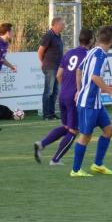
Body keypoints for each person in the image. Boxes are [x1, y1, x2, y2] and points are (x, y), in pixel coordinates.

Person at [34, 29, 94, 165]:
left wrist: (66, 88)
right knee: (73, 130)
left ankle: (42, 144)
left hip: (63, 95)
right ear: (91, 41)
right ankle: (55, 159)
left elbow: (58, 75)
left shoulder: (69, 53)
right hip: (74, 97)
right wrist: (77, 91)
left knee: (67, 127)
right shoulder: (88, 55)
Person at [70, 26, 112, 177]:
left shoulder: (93, 51)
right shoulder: (100, 55)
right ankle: (76, 170)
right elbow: (95, 77)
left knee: (109, 130)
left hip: (96, 103)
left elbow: (79, 70)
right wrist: (111, 92)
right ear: (111, 39)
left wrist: (78, 90)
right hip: (88, 104)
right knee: (85, 136)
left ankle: (97, 164)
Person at [38, 17, 65, 120]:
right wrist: (43, 62)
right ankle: (46, 115)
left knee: (54, 91)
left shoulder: (58, 35)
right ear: (56, 24)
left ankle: (51, 113)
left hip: (57, 67)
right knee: (48, 91)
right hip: (50, 67)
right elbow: (40, 51)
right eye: (62, 24)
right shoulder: (48, 35)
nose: (64, 26)